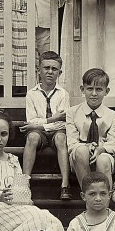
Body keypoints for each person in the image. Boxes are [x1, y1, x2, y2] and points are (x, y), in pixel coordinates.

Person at [21, 51, 71, 200]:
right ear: (39, 70)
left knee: (61, 138)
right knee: (32, 138)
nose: (50, 72)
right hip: (39, 133)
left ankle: (65, 185)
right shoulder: (31, 94)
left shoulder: (63, 94)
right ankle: (24, 183)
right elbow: (31, 121)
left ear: (59, 73)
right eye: (46, 68)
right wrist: (52, 119)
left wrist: (41, 124)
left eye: (54, 69)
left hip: (57, 132)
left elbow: (62, 123)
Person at [65, 67, 115, 185]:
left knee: (103, 159)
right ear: (82, 89)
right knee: (81, 151)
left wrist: (101, 149)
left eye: (99, 89)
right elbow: (72, 144)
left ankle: (106, 195)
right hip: (80, 158)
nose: (94, 94)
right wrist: (87, 147)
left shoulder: (112, 115)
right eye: (90, 89)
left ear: (107, 91)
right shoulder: (72, 112)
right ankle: (87, 192)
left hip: (103, 156)